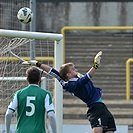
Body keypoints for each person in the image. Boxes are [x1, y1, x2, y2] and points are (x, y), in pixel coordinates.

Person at [25, 51, 116, 133]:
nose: (76, 70)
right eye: (73, 69)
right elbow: (85, 79)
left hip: (101, 107)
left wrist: (38, 64)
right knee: (98, 128)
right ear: (68, 75)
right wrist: (95, 66)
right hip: (95, 107)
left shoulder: (71, 78)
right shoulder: (71, 84)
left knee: (109, 129)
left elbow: (53, 72)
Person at [5, 66, 57, 133]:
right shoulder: (45, 94)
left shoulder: (18, 94)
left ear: (27, 79)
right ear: (39, 79)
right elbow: (51, 115)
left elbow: (8, 114)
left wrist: (7, 130)